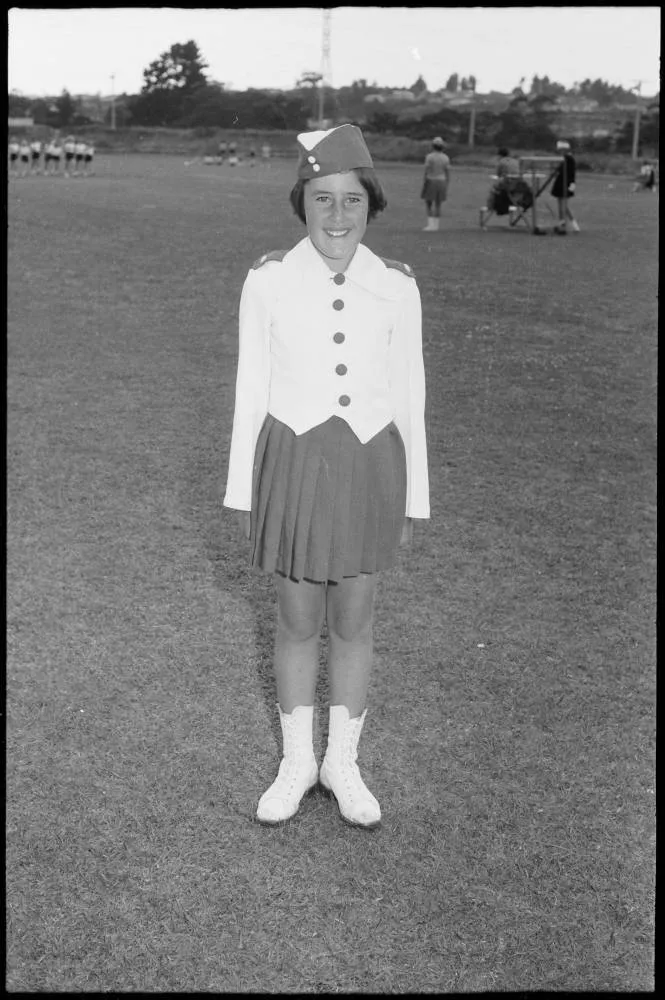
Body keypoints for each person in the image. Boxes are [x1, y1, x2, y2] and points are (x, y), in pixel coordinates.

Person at [223, 124, 430, 829]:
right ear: (301, 204)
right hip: (294, 461)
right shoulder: (268, 279)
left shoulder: (397, 287)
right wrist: (243, 492)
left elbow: (410, 397)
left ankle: (342, 763)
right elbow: (250, 389)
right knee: (296, 617)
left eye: (349, 200)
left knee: (354, 620)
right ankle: (295, 763)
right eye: (321, 200)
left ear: (369, 204)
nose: (336, 216)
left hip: (371, 464)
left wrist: (414, 497)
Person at [421, 136, 450, 231]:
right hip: (442, 181)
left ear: (433, 146)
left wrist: (424, 181)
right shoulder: (445, 158)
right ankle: (436, 226)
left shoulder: (430, 157)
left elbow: (427, 170)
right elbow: (447, 172)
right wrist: (447, 183)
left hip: (431, 180)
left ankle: (430, 225)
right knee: (438, 204)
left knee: (429, 203)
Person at [551, 139, 580, 233]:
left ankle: (563, 224)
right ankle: (573, 225)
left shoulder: (567, 159)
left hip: (566, 184)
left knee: (562, 205)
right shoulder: (567, 158)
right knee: (563, 205)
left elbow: (565, 173)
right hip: (568, 183)